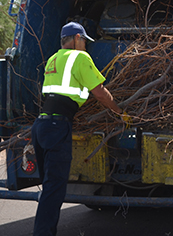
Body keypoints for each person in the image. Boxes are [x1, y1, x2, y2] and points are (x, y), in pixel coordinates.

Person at [31, 22, 123, 236]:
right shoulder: (80, 58)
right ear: (77, 38)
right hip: (57, 127)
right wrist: (119, 111)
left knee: (49, 188)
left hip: (41, 126)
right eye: (84, 41)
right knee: (54, 189)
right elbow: (99, 93)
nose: (85, 46)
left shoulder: (53, 59)